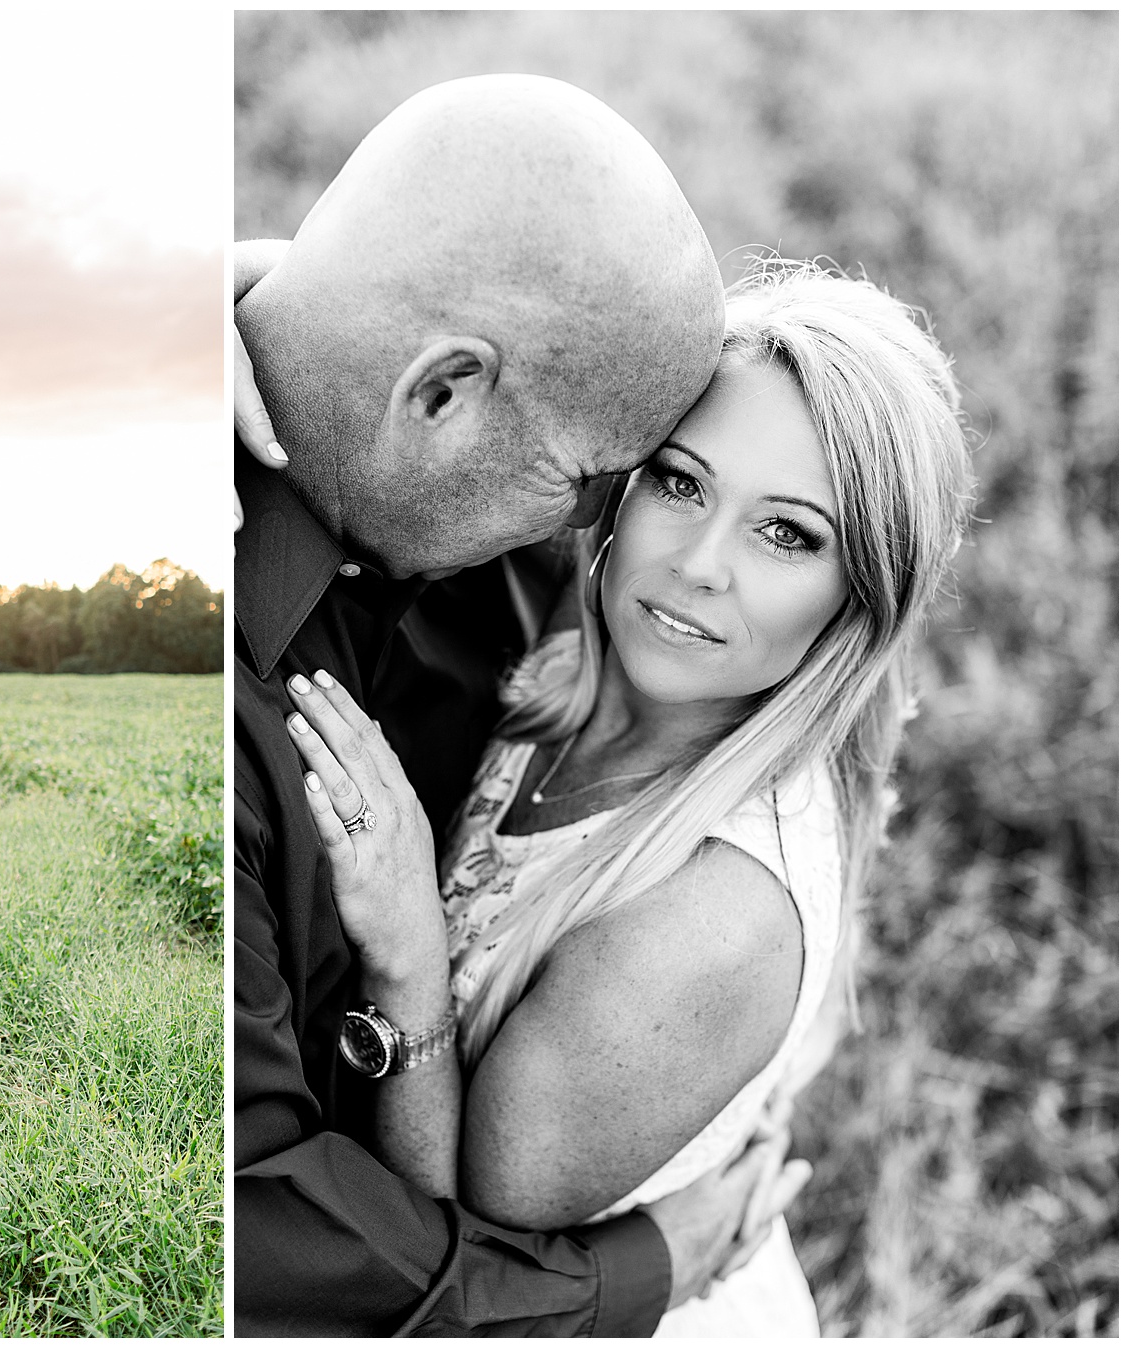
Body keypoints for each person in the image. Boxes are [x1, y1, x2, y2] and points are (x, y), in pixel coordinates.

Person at [277, 260, 973, 1334]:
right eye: (682, 483)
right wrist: (244, 298)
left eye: (787, 533)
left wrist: (408, 953)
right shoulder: (604, 642)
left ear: (860, 595)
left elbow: (466, 1260)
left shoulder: (709, 920)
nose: (698, 564)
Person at [234, 74, 802, 1336]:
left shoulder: (475, 538)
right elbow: (256, 1221)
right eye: (594, 481)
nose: (600, 534)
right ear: (440, 396)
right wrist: (629, 1276)